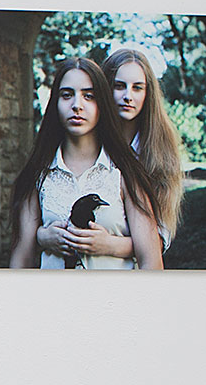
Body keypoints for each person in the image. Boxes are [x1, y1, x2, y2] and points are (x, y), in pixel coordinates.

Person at [36, 44, 185, 266]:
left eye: (137, 88)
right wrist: (41, 235)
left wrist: (110, 244)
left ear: (148, 93)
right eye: (119, 86)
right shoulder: (80, 138)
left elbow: (157, 241)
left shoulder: (157, 152)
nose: (127, 96)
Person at [9, 56, 163, 270]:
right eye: (67, 95)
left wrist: (110, 245)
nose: (77, 106)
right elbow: (21, 260)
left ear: (102, 104)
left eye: (88, 96)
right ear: (55, 103)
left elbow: (152, 261)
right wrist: (40, 236)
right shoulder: (39, 173)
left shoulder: (125, 170)